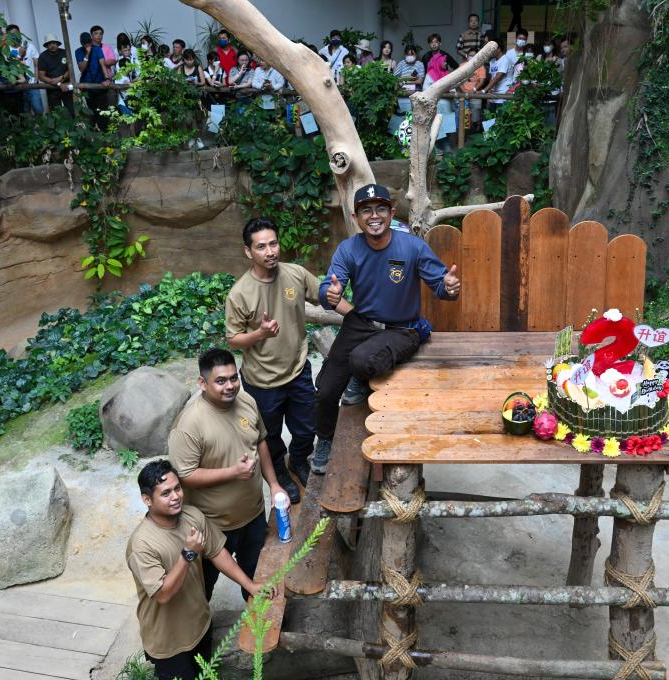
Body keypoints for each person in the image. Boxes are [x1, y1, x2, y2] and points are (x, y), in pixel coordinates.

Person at [311, 185, 461, 472]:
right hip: (361, 323)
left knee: (362, 360)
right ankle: (325, 439)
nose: (374, 216)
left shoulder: (412, 247)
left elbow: (441, 286)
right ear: (355, 217)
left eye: (381, 208)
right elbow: (328, 289)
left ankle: (361, 374)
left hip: (402, 327)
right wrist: (329, 294)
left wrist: (449, 288)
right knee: (326, 390)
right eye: (366, 210)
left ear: (392, 213)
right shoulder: (348, 249)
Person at [226, 219, 349, 500]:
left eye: (273, 243)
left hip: (297, 370)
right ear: (248, 252)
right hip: (262, 380)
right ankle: (280, 471)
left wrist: (340, 302)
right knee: (269, 434)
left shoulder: (295, 274)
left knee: (306, 428)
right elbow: (233, 339)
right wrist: (259, 333)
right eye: (261, 247)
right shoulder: (240, 294)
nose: (270, 251)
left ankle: (298, 460)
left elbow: (323, 296)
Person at [127, 459, 264, 680]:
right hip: (169, 643)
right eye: (166, 493)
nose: (175, 496)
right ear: (147, 500)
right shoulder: (141, 545)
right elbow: (163, 594)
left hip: (200, 626)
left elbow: (218, 552)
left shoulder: (192, 516)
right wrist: (188, 554)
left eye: (177, 488)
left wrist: (250, 585)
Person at [168, 348, 285, 600]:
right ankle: (201, 624)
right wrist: (233, 472)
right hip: (212, 525)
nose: (230, 386)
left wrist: (274, 484)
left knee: (256, 581)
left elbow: (260, 441)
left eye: (233, 378)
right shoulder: (189, 425)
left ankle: (257, 621)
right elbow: (184, 476)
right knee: (202, 589)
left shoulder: (247, 401)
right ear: (202, 383)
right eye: (220, 381)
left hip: (253, 515)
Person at [482, 31, 524, 110]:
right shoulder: (492, 61)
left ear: (499, 49)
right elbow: (492, 77)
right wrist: (489, 93)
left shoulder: (505, 59)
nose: (490, 51)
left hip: (504, 95)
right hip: (493, 96)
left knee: (501, 117)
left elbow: (498, 77)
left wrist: (484, 90)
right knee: (491, 117)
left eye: (492, 49)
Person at [76, 31, 110, 129]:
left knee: (103, 109)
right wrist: (87, 54)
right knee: (92, 109)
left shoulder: (97, 49)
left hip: (100, 83)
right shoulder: (78, 51)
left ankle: (105, 131)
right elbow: (81, 68)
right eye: (85, 43)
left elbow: (103, 64)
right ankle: (94, 130)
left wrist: (107, 78)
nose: (87, 44)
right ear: (81, 43)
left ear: (91, 41)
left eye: (89, 42)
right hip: (87, 86)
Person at [37, 34, 73, 115]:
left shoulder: (64, 52)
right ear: (46, 45)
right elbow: (41, 76)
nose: (52, 45)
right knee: (56, 114)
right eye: (49, 43)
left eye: (54, 43)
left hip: (66, 86)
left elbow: (70, 70)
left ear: (57, 43)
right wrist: (58, 83)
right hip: (52, 88)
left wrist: (61, 78)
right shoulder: (43, 56)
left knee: (71, 111)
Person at [458, 46, 487, 128]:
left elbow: (482, 81)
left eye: (474, 55)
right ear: (467, 55)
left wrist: (473, 90)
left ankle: (475, 128)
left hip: (475, 94)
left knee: (475, 116)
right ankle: (466, 132)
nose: (471, 57)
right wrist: (463, 90)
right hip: (464, 94)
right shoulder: (462, 65)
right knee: (465, 117)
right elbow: (458, 80)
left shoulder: (480, 66)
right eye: (470, 55)